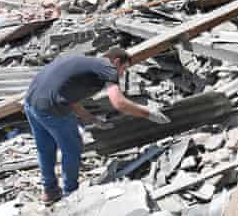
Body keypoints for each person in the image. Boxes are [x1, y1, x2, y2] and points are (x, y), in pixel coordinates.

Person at [24, 48, 170, 204]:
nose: (121, 74)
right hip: (50, 107)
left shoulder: (85, 64)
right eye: (124, 69)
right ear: (116, 61)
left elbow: (72, 100)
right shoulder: (107, 67)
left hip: (31, 103)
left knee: (45, 148)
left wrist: (93, 120)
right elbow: (118, 102)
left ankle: (49, 192)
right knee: (72, 148)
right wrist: (148, 113)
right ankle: (71, 194)